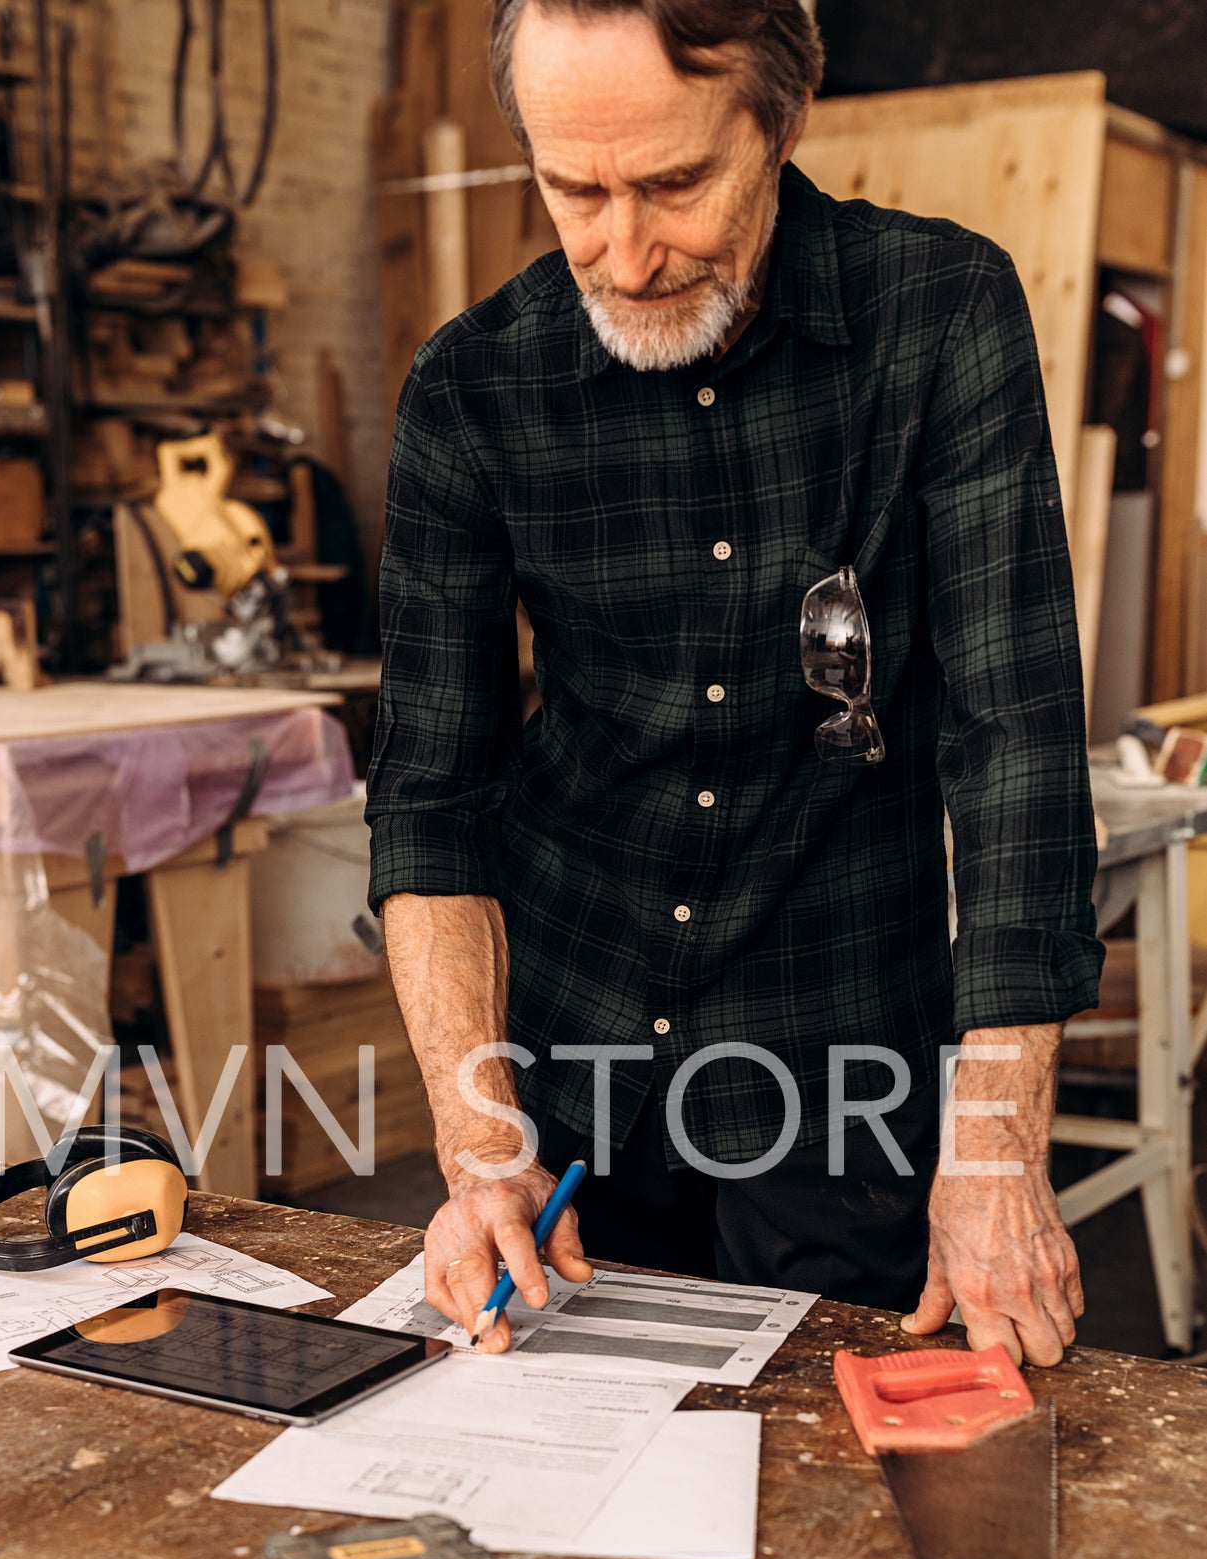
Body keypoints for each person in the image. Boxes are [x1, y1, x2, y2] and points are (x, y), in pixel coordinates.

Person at [366, 0, 1101, 1367]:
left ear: (780, 117)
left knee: (846, 1487)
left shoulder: (938, 318)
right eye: (572, 189)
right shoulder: (473, 388)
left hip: (840, 1065)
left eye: (675, 185)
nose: (624, 253)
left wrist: (992, 1146)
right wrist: (481, 1148)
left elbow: (1014, 750)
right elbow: (430, 797)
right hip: (567, 1069)